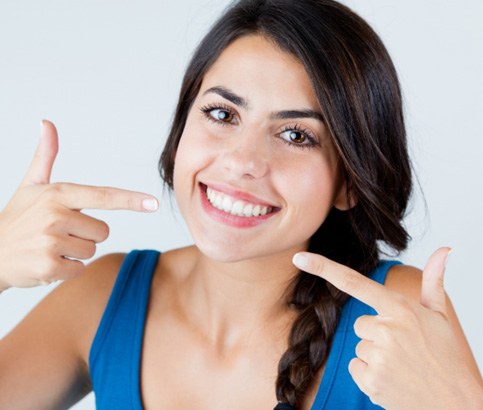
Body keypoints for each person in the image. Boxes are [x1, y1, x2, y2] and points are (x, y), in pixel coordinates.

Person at [0, 0, 481, 408]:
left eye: (296, 135)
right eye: (221, 113)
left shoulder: (397, 315)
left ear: (349, 182)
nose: (242, 161)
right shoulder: (104, 297)